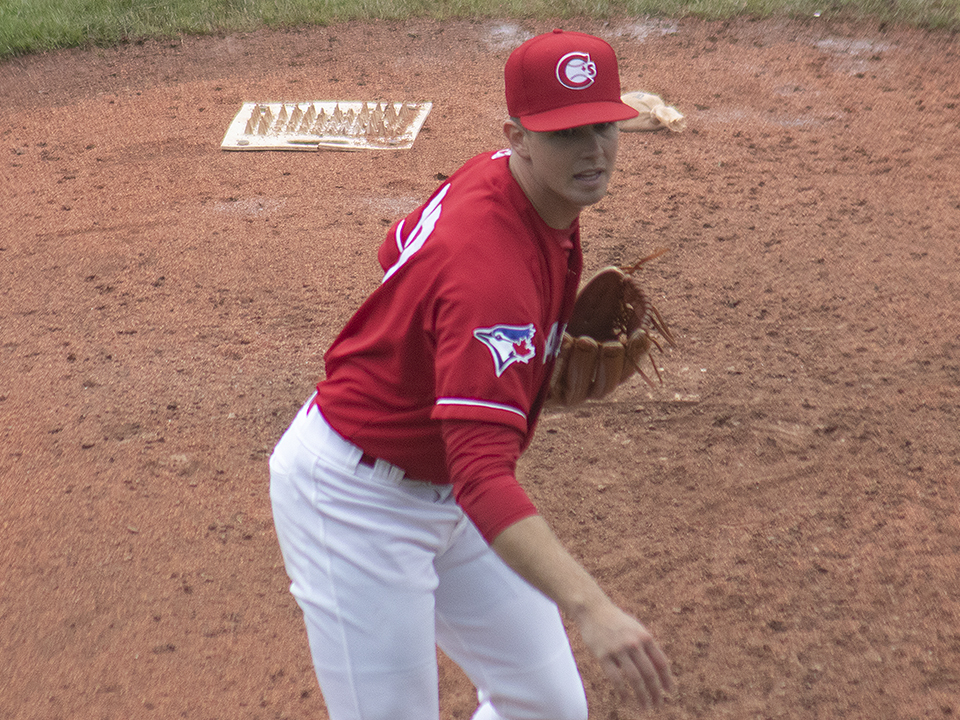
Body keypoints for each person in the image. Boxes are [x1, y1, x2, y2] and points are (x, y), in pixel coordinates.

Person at [269, 29, 676, 720]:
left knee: (546, 706)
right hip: (355, 504)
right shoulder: (490, 273)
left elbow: (396, 248)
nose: (593, 150)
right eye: (566, 133)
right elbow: (482, 475)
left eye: (604, 125)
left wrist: (509, 366)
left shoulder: (508, 180)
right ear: (518, 137)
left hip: (441, 488)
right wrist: (593, 608)